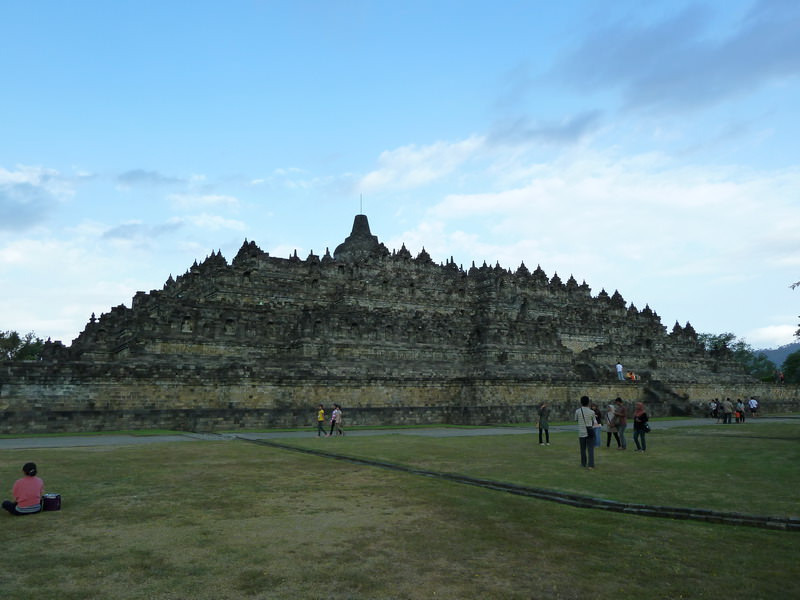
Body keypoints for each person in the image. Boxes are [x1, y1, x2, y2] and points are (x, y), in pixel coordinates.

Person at [575, 396, 598, 468]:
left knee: (583, 450)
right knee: (590, 449)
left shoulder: (578, 411)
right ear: (588, 402)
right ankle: (591, 464)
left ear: (581, 402)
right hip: (590, 432)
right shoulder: (592, 412)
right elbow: (595, 422)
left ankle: (583, 463)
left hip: (582, 433)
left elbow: (576, 419)